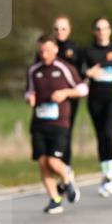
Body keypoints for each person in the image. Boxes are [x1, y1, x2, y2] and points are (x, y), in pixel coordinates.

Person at [26, 34, 88, 214]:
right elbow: (29, 91)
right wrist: (30, 98)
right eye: (41, 51)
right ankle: (54, 199)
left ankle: (67, 178)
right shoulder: (34, 70)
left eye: (47, 50)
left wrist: (65, 93)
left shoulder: (64, 68)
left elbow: (83, 88)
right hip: (39, 122)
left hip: (59, 122)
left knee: (53, 161)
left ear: (55, 49)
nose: (44, 54)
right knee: (42, 162)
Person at [82, 17, 112, 197]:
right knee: (101, 135)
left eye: (105, 28)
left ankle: (110, 176)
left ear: (110, 30)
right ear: (94, 31)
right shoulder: (88, 51)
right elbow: (82, 71)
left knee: (108, 132)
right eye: (98, 28)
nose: (102, 31)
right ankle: (105, 175)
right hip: (95, 97)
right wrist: (88, 73)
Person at [33, 15, 83, 169]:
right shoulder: (44, 49)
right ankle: (52, 164)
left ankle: (65, 166)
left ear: (69, 30)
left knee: (65, 131)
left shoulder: (75, 48)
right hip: (46, 100)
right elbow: (35, 74)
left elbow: (81, 76)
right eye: (56, 29)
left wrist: (68, 92)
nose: (60, 32)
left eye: (63, 28)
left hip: (68, 98)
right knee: (45, 132)